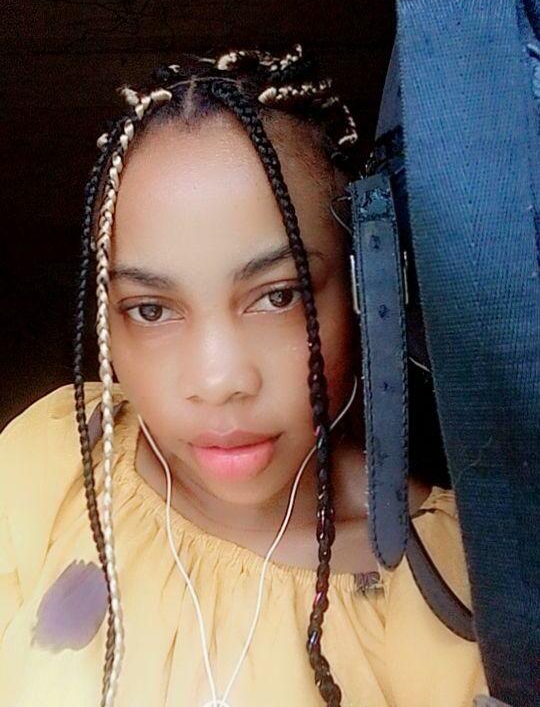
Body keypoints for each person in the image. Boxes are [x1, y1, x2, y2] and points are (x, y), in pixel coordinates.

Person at [0, 45, 490, 707]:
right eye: (151, 310)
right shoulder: (54, 462)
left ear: (363, 292)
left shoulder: (458, 593)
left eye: (277, 296)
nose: (218, 380)